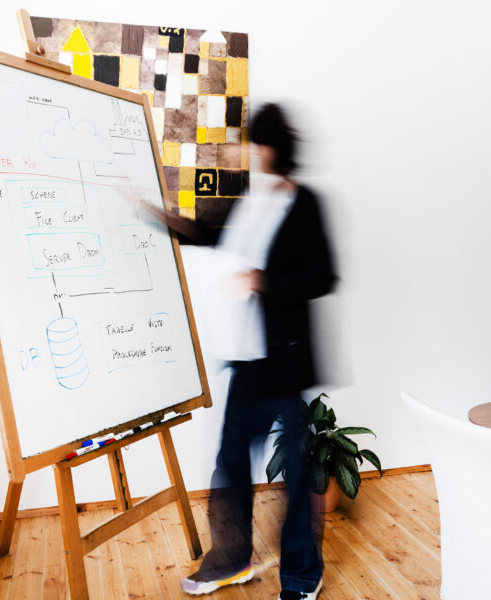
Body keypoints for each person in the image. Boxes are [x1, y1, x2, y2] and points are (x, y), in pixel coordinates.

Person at [148, 103, 335, 599]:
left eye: (257, 142)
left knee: (297, 476)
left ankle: (302, 576)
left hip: (287, 364)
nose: (250, 151)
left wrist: (262, 281)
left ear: (274, 147)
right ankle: (233, 561)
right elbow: (213, 235)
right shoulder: (252, 199)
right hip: (248, 361)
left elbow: (323, 276)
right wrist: (164, 217)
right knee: (231, 463)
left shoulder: (306, 204)